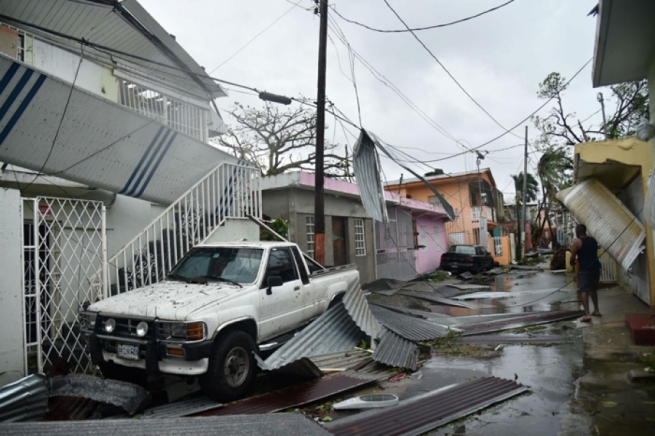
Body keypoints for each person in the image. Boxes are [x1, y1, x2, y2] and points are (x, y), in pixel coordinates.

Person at [570, 224, 601, 322]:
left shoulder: (577, 242)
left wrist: (572, 263)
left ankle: (587, 314)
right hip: (596, 268)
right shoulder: (593, 240)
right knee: (593, 289)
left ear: (578, 232)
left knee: (584, 290)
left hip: (584, 270)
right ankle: (596, 310)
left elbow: (572, 257)